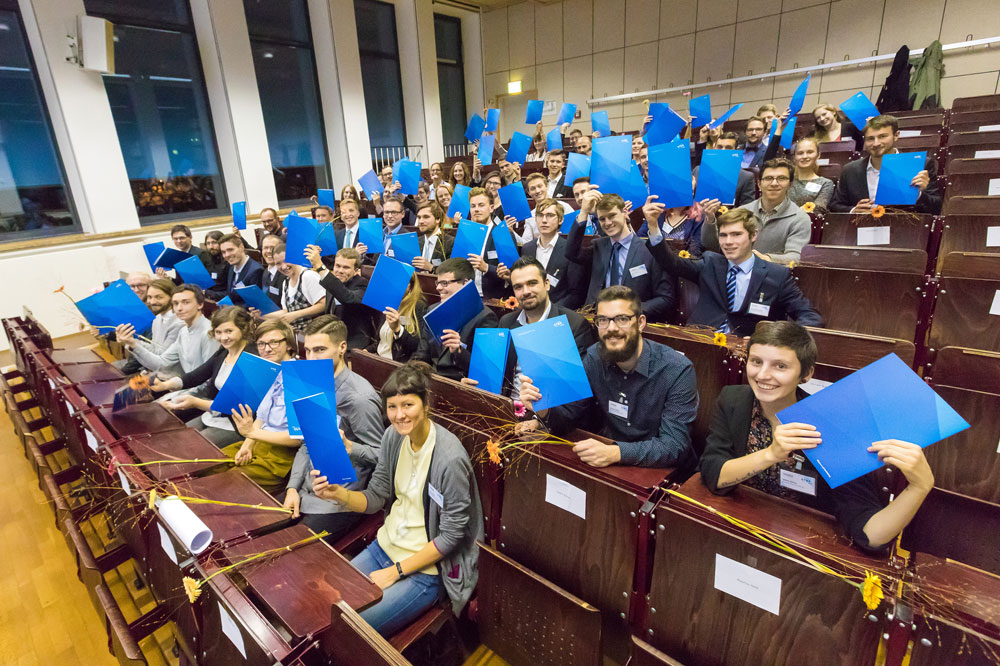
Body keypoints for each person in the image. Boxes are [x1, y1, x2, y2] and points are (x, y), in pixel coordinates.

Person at [700, 321, 933, 551]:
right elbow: (713, 474)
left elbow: (869, 535)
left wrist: (919, 487)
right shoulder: (733, 399)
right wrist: (771, 454)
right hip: (738, 523)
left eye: (780, 366)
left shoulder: (830, 426)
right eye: (756, 361)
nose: (762, 375)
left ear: (806, 374)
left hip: (801, 543)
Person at [311, 361, 483, 636]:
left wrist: (396, 572)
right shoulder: (393, 436)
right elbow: (377, 497)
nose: (399, 415)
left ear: (426, 404)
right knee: (324, 602)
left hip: (425, 571)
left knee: (349, 629)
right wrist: (339, 495)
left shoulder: (449, 458)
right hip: (384, 547)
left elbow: (451, 536)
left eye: (408, 405)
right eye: (392, 406)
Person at [519, 286, 697, 469]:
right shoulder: (594, 358)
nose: (611, 328)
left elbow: (674, 446)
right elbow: (573, 414)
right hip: (608, 463)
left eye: (622, 319)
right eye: (603, 320)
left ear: (641, 322)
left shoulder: (676, 370)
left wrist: (616, 452)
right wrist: (544, 411)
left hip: (661, 473)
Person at [644, 203, 823, 336]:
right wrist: (653, 226)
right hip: (702, 339)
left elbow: (809, 316)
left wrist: (781, 341)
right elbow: (671, 263)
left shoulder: (777, 275)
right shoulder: (710, 263)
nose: (728, 242)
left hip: (748, 349)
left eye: (736, 235)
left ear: (753, 235)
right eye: (723, 235)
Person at [284, 316, 385, 542]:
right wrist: (292, 488)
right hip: (305, 489)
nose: (311, 358)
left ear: (342, 347)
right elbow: (306, 443)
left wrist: (351, 448)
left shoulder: (359, 399)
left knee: (289, 554)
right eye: (307, 350)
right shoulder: (310, 383)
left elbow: (384, 457)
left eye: (320, 350)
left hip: (338, 501)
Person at [484, 257, 595, 396]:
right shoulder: (506, 322)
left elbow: (576, 393)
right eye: (518, 287)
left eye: (532, 283)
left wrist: (543, 416)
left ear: (546, 284)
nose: (525, 292)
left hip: (549, 413)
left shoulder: (574, 325)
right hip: (509, 405)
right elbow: (496, 372)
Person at [565, 190, 675, 322]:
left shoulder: (651, 250)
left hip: (633, 322)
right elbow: (571, 253)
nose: (607, 222)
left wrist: (629, 311)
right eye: (602, 219)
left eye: (612, 216)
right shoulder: (598, 246)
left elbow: (665, 298)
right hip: (596, 319)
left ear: (624, 213)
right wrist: (583, 212)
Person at [153, 306, 253, 448]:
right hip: (214, 415)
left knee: (187, 447)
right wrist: (164, 385)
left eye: (229, 331)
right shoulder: (223, 352)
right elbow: (197, 375)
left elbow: (234, 405)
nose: (223, 337)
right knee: (173, 438)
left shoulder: (252, 358)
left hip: (236, 424)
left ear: (243, 329)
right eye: (218, 332)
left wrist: (195, 402)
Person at [220, 319, 301, 494]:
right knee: (208, 463)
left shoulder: (301, 377)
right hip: (259, 440)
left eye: (274, 342)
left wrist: (252, 434)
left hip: (282, 455)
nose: (267, 348)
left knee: (225, 484)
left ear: (288, 345)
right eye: (262, 344)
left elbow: (297, 438)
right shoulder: (267, 370)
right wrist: (247, 445)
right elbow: (261, 418)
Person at [701, 158, 812, 264]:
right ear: (759, 184)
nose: (774, 183)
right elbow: (713, 246)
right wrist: (710, 219)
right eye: (768, 178)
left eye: (781, 178)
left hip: (773, 278)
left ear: (790, 184)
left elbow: (796, 257)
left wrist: (765, 258)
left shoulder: (800, 218)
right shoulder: (742, 211)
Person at [829, 115, 942, 215]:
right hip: (861, 231)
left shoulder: (920, 164)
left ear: (896, 135)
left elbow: (936, 208)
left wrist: (918, 194)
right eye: (870, 139)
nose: (876, 143)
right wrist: (853, 210)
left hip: (904, 231)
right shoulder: (850, 170)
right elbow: (835, 205)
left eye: (882, 136)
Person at [413, 258, 498, 381]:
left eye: (445, 283)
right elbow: (421, 354)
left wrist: (459, 350)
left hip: (459, 384)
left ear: (466, 283)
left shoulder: (485, 317)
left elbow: (483, 369)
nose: (438, 288)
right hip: (430, 379)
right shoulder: (432, 310)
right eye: (438, 283)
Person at [118, 284, 220, 385]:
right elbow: (161, 363)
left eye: (186, 302)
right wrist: (132, 344)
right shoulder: (184, 331)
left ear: (200, 304)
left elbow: (209, 380)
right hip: (186, 387)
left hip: (197, 392)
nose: (179, 308)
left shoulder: (208, 332)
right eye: (175, 303)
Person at [516, 199, 587, 308]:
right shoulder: (527, 248)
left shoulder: (570, 249)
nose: (544, 220)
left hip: (557, 312)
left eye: (550, 215)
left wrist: (550, 312)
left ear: (560, 220)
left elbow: (575, 294)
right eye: (540, 215)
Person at [306, 246, 376, 351]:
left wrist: (320, 267)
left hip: (353, 344)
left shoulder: (362, 284)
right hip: (331, 339)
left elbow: (347, 298)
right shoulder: (333, 282)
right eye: (337, 266)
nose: (340, 271)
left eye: (346, 267)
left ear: (356, 270)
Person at [114, 279, 183, 374]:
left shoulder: (179, 323)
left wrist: (134, 345)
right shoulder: (157, 318)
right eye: (149, 297)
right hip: (157, 372)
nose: (152, 302)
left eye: (158, 297)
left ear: (172, 297)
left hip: (172, 377)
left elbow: (161, 358)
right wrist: (131, 341)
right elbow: (155, 349)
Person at [260, 242, 327, 333]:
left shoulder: (308, 276)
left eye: (286, 260)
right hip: (296, 334)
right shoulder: (286, 282)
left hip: (315, 332)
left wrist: (296, 315)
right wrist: (261, 315)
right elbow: (286, 312)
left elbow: (323, 304)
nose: (283, 266)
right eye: (278, 263)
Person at [763, 132, 835, 214]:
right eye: (800, 153)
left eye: (810, 152)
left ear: (818, 155)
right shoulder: (785, 180)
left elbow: (818, 209)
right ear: (794, 157)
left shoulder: (825, 183)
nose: (805, 156)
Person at [692, 132, 756, 207]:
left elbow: (746, 210)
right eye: (719, 147)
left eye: (728, 147)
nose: (723, 151)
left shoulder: (746, 177)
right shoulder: (698, 171)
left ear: (736, 150)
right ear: (714, 148)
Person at [373, 273, 427, 362]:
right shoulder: (388, 302)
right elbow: (383, 340)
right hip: (379, 358)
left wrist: (398, 329)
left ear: (411, 286)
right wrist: (368, 350)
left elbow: (418, 347)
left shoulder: (418, 307)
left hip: (398, 365)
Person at [207, 234, 264, 302]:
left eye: (230, 250)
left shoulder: (256, 271)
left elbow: (255, 303)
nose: (227, 255)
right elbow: (230, 294)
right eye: (223, 252)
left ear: (241, 247)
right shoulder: (231, 268)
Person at [412, 202, 453, 272]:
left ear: (438, 219)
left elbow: (453, 272)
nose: (421, 221)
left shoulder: (450, 242)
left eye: (426, 217)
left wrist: (431, 268)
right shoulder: (415, 242)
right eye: (419, 217)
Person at [259, 233, 287, 307]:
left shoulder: (286, 273)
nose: (268, 251)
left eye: (272, 248)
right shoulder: (265, 272)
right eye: (265, 248)